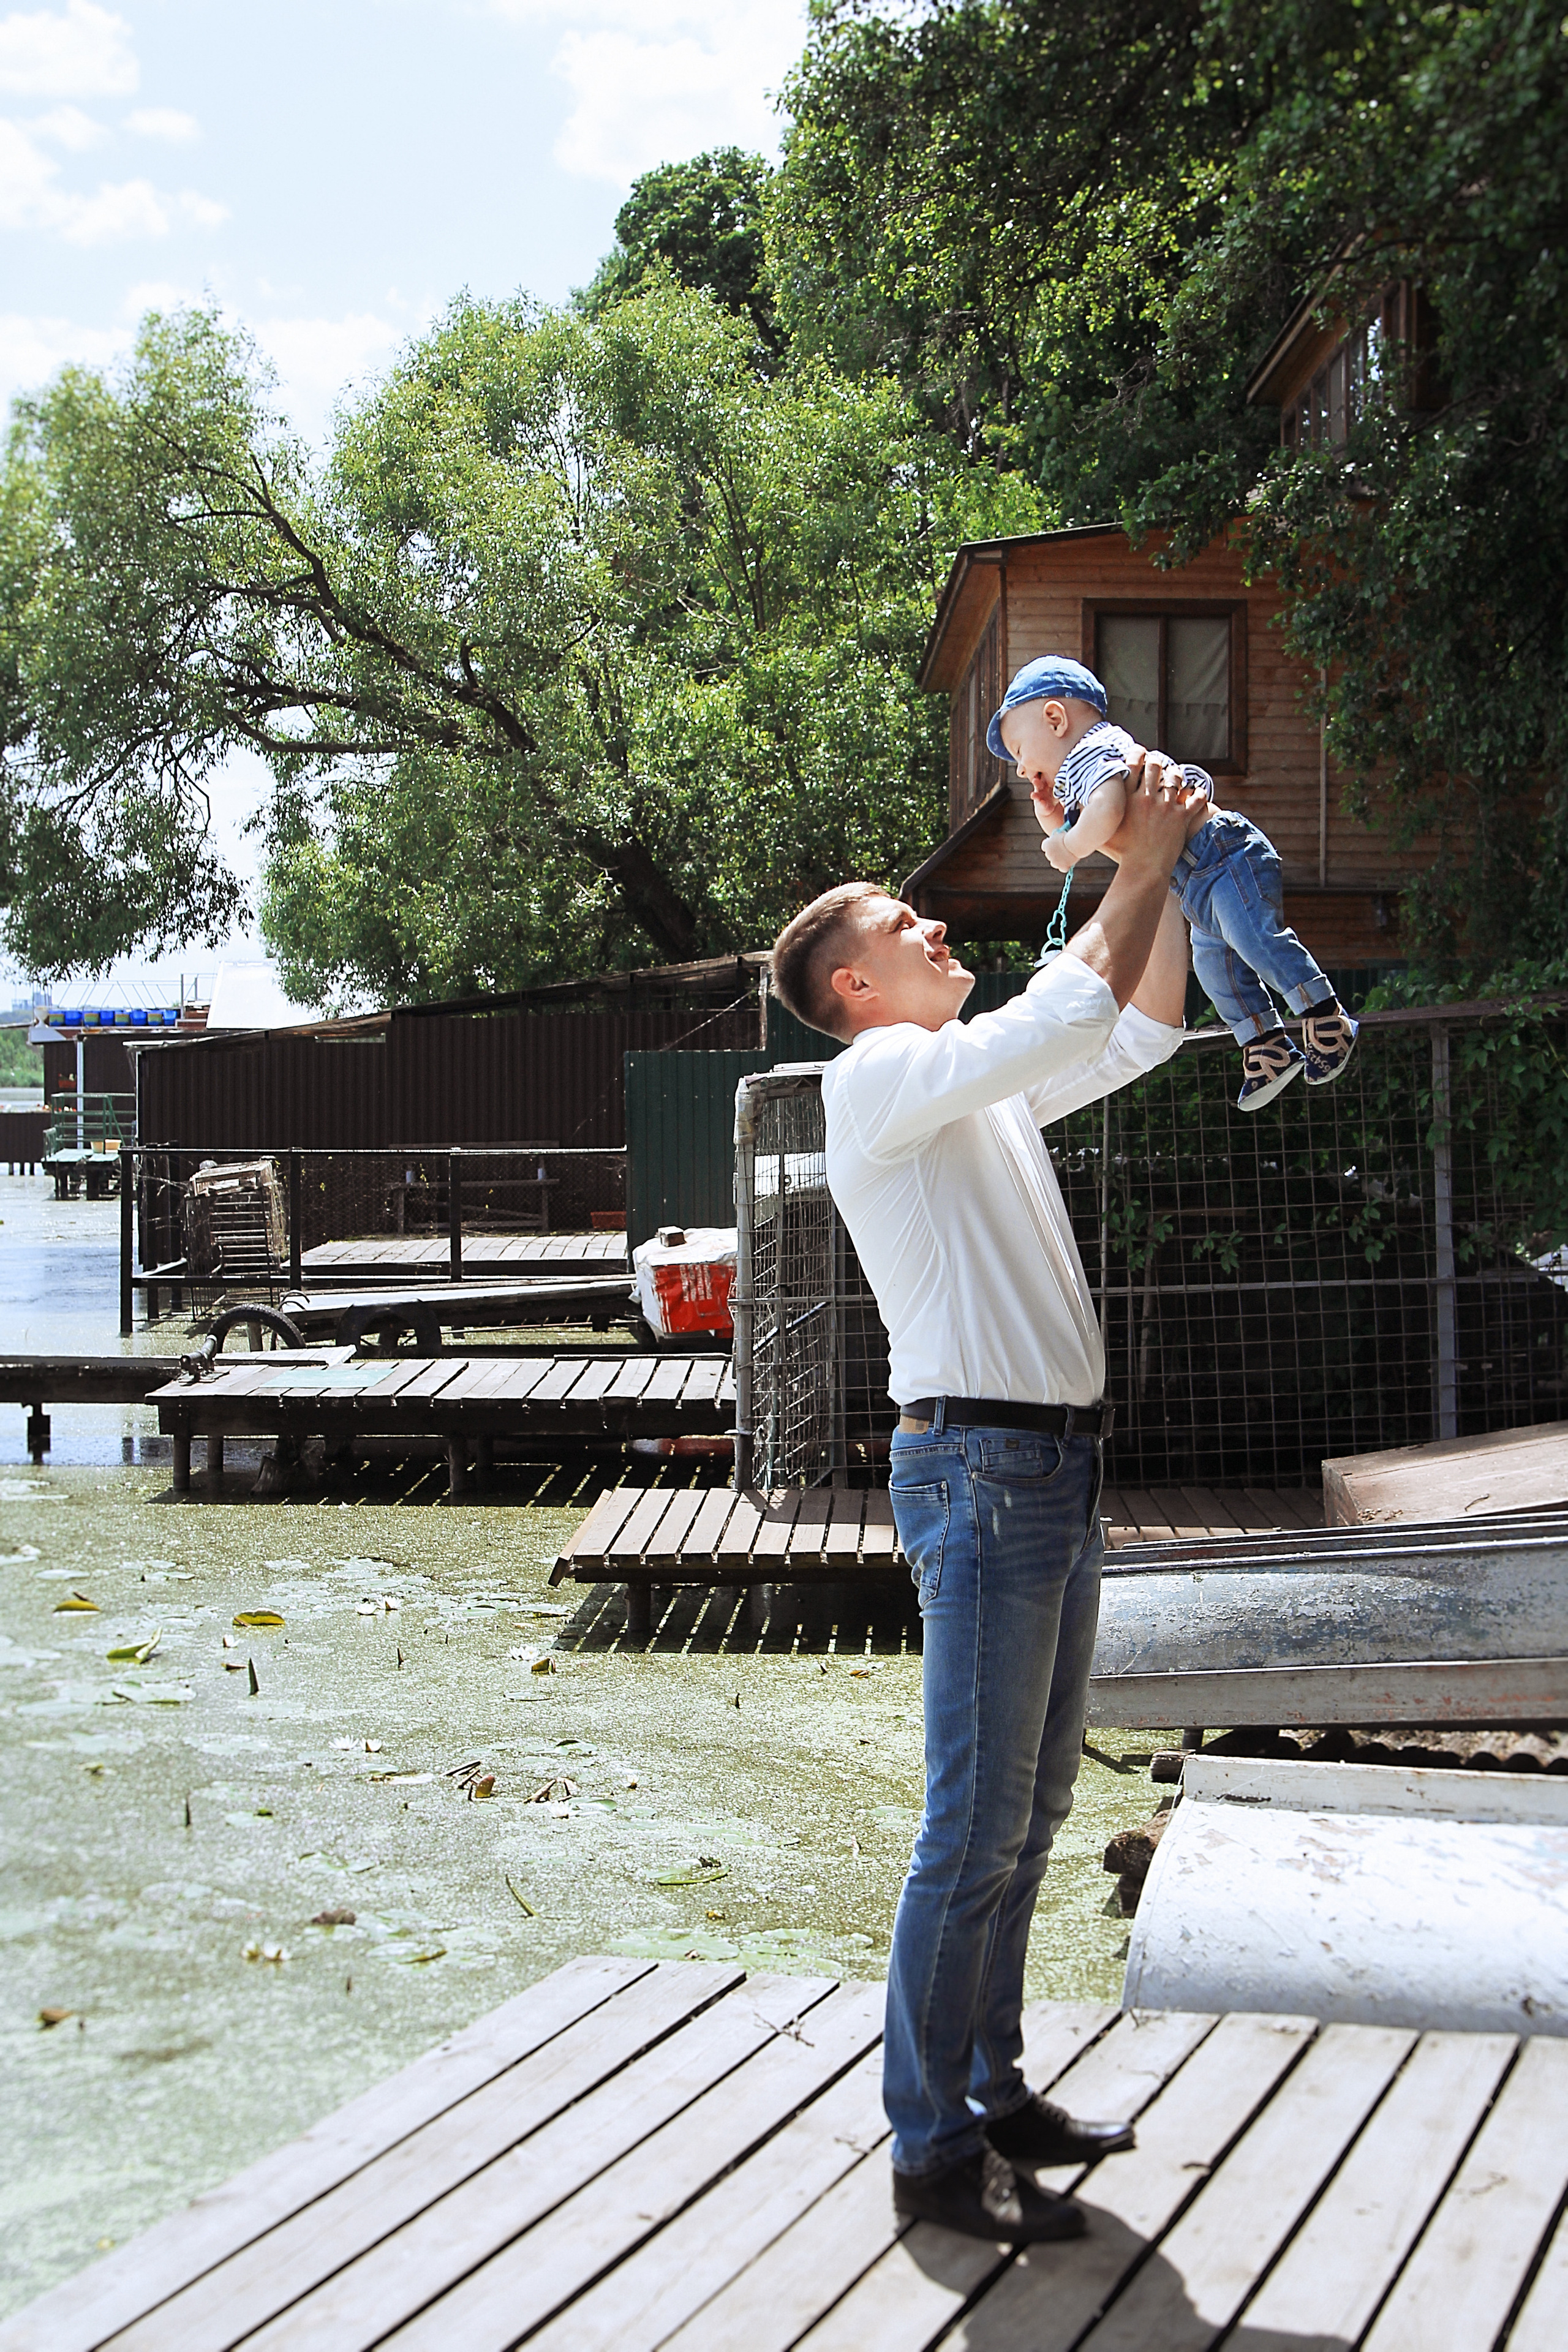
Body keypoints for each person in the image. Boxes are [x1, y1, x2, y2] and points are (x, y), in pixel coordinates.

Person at [768, 752, 1196, 2246]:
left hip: (1041, 1471)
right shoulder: (878, 1076)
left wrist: (1180, 873)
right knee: (971, 1827)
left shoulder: (969, 1086)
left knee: (1029, 1812)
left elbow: (1134, 1030)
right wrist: (1129, 855)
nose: (933, 925)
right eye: (902, 924)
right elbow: (1064, 1004)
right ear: (851, 988)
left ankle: (993, 2089)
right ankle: (929, 2148)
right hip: (986, 1471)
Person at [990, 654, 1359, 1110]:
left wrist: (1068, 848)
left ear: (1055, 718)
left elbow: (1105, 812)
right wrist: (1054, 820)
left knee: (1253, 939)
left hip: (1223, 855)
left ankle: (1325, 1017)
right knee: (1214, 969)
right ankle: (1267, 1044)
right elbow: (1089, 827)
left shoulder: (1094, 751)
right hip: (1192, 881)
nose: (1022, 769)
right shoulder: (1075, 775)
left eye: (1021, 752)